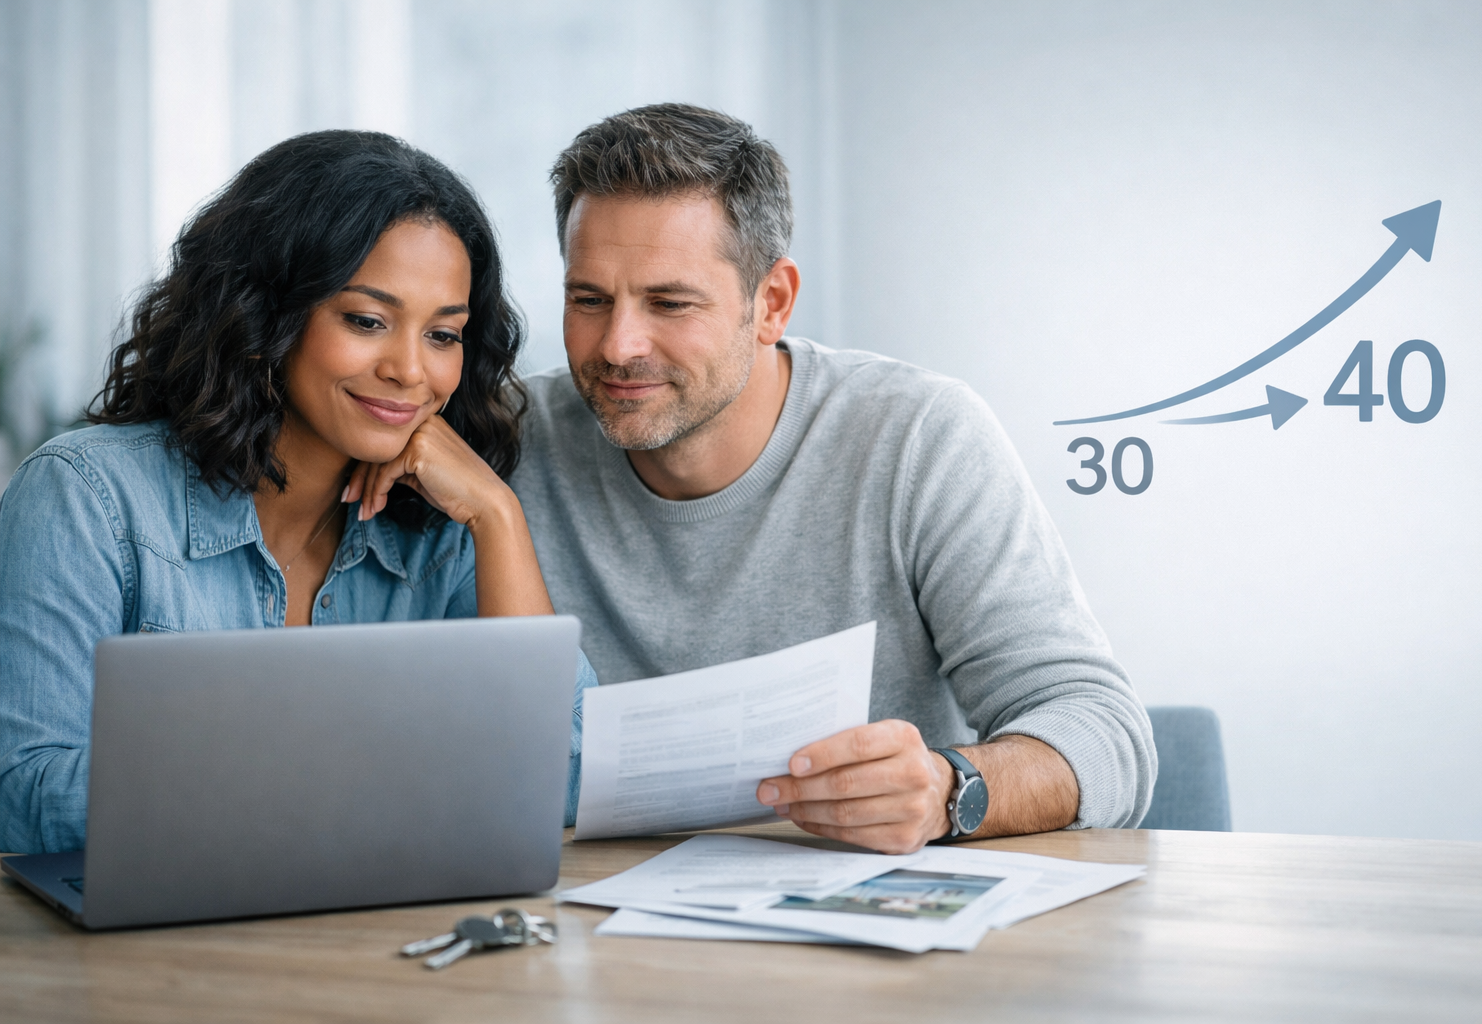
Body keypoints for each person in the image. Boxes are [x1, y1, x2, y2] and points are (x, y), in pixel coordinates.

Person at [510, 104, 1156, 855]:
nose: (618, 345)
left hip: (858, 930)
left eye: (669, 303)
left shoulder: (918, 436)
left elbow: (1105, 734)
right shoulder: (505, 443)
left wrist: (950, 791)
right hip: (590, 924)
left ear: (772, 303)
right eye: (588, 300)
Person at [0, 130, 596, 855]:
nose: (411, 370)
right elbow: (21, 798)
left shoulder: (444, 525)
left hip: (380, 938)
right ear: (262, 318)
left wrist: (498, 517)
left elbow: (570, 774)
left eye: (443, 335)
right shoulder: (87, 497)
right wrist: (352, 764)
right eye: (367, 321)